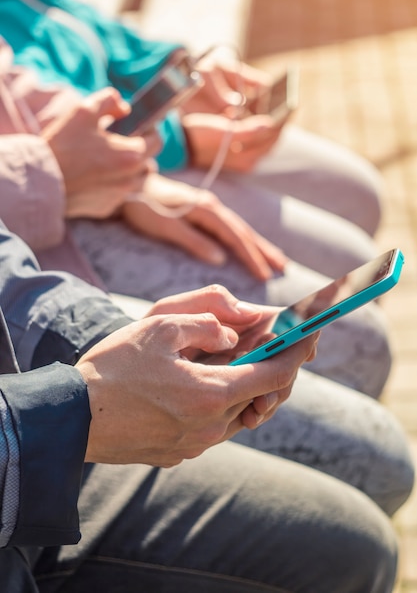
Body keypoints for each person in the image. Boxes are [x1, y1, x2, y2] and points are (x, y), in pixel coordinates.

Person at [0, 221, 411, 592]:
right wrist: (59, 420)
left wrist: (105, 339)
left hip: (47, 428)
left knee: (360, 540)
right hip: (34, 443)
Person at [0, 36, 392, 399]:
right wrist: (49, 171)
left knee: (358, 220)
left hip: (77, 187)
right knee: (362, 348)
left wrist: (160, 70)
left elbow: (41, 38)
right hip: (44, 246)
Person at [0, 0, 383, 237]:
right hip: (83, 191)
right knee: (348, 291)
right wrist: (182, 140)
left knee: (360, 192)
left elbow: (55, 10)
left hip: (136, 132)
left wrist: (163, 66)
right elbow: (37, 115)